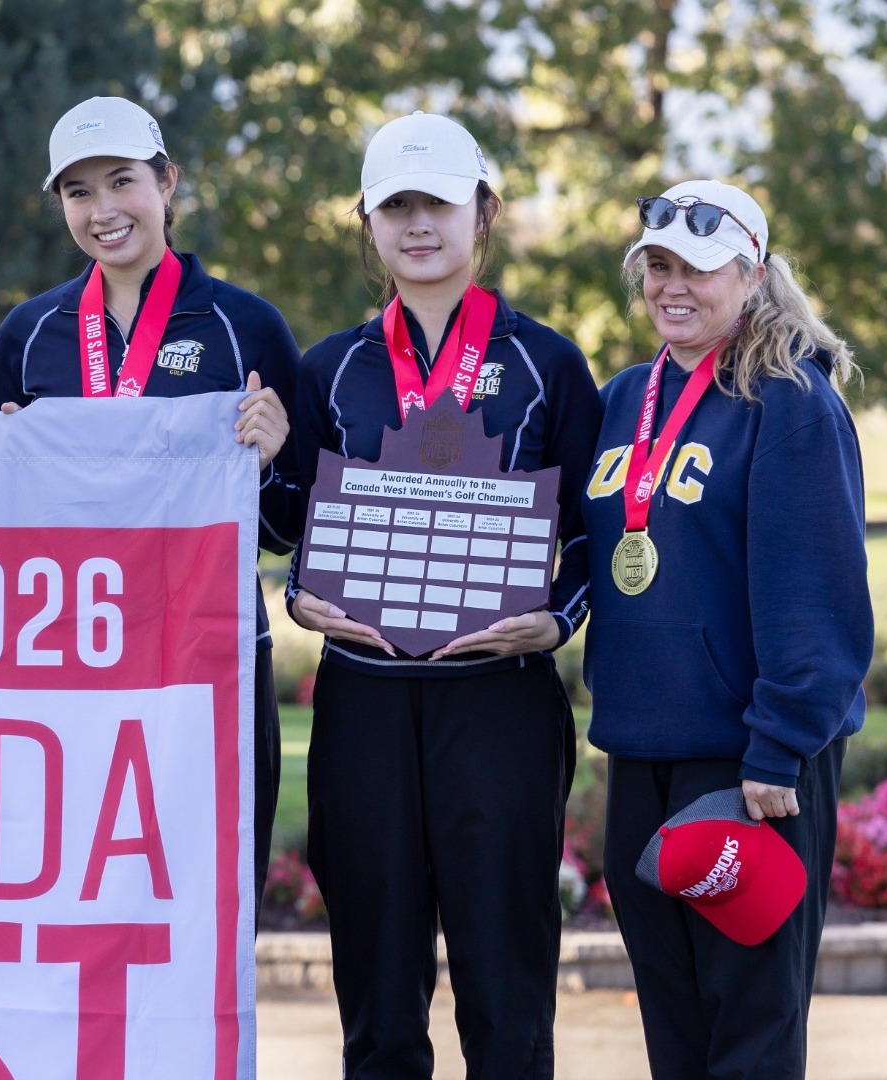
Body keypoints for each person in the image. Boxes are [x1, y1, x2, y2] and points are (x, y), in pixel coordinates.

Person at [285, 112, 601, 1076]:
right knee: (376, 997)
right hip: (364, 700)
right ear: (368, 224)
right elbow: (289, 523)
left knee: (507, 995)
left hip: (496, 700)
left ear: (485, 212)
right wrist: (298, 594)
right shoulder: (328, 367)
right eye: (397, 208)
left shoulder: (548, 363)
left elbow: (597, 532)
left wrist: (557, 619)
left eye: (440, 204)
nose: (419, 226)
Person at [585, 179, 870, 1078]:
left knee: (749, 1027)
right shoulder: (626, 396)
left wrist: (778, 746)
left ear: (749, 272)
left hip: (751, 768)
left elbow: (814, 589)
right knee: (674, 1027)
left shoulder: (787, 400)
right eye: (658, 266)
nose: (674, 285)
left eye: (700, 268)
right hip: (642, 754)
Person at [0, 96, 298, 902]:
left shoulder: (247, 327)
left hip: (211, 657)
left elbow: (289, 528)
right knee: (63, 892)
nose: (103, 210)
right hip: (69, 653)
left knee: (212, 898)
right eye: (78, 193)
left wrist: (270, 457)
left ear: (168, 183)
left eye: (121, 181)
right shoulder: (30, 334)